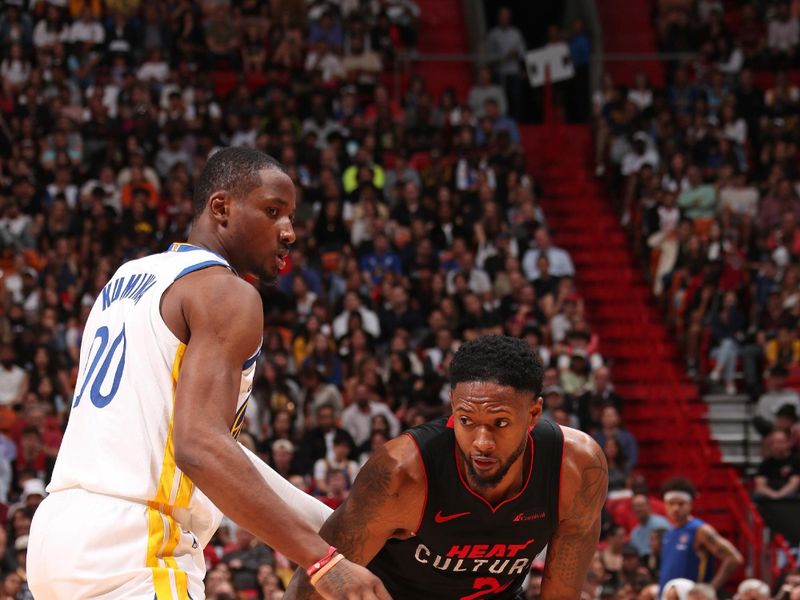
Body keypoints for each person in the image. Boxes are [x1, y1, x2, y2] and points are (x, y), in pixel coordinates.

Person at [27, 148, 388, 600]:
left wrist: (330, 528)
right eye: (272, 212)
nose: (289, 232)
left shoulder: (127, 278)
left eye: (291, 216)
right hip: (136, 544)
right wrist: (322, 561)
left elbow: (211, 443)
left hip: (57, 535)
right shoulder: (227, 293)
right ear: (221, 207)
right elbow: (198, 447)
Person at [285, 335, 609, 599]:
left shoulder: (576, 469)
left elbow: (562, 593)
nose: (482, 442)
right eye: (466, 420)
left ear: (534, 414)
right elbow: (310, 588)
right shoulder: (402, 473)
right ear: (453, 404)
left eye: (500, 422)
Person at [659, 478, 743, 593]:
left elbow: (734, 558)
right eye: (671, 503)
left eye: (681, 503)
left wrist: (710, 589)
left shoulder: (700, 530)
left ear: (690, 504)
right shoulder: (669, 532)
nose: (675, 508)